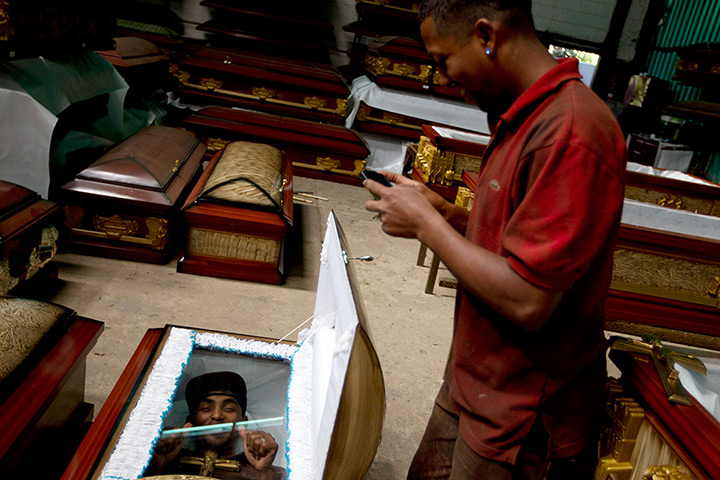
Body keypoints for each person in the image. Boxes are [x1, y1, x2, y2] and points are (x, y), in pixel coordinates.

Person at [363, 1, 627, 479]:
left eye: (443, 60)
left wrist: (429, 226)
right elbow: (515, 240)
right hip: (475, 380)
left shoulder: (571, 132)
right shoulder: (521, 114)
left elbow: (529, 300)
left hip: (522, 411)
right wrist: (452, 216)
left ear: (486, 34)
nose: (442, 77)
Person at [146, 371, 286, 480]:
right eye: (206, 408)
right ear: (191, 420)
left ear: (243, 422)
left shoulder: (268, 472)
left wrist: (263, 473)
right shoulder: (166, 463)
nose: (217, 415)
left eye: (229, 409)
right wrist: (156, 467)